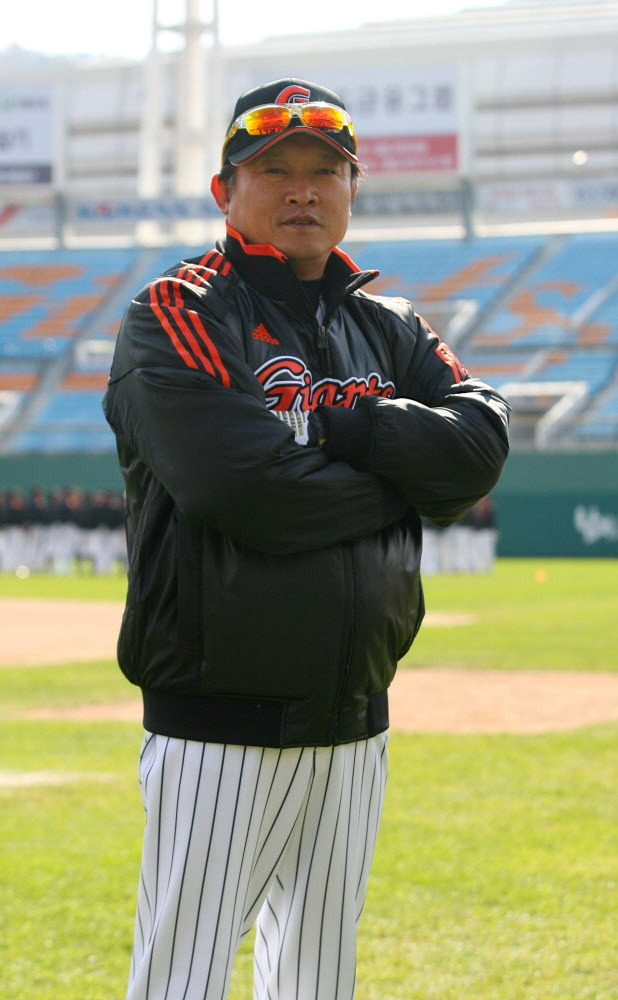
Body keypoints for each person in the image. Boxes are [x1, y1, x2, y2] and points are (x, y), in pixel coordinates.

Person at [103, 77, 510, 1000]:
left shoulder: (388, 324)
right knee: (182, 978)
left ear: (352, 188)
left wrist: (349, 430)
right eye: (274, 170)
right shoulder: (179, 311)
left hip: (355, 712)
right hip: (219, 722)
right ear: (224, 191)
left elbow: (480, 446)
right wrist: (406, 485)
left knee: (319, 977)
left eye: (324, 171)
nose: (302, 190)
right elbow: (242, 490)